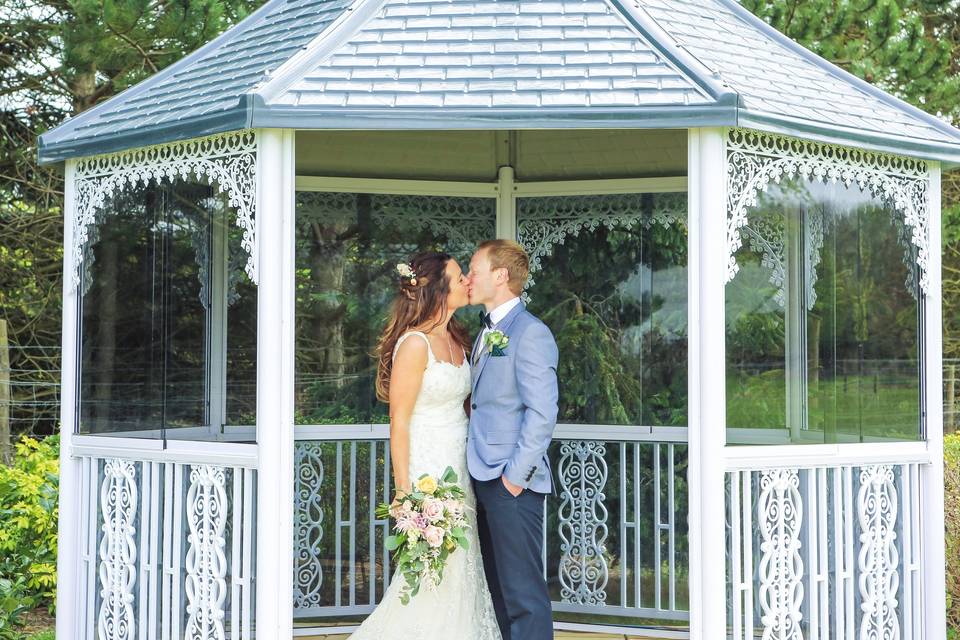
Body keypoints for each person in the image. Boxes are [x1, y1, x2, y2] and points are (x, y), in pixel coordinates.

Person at [349, 251, 500, 640]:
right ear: (437, 289)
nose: (468, 280)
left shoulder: (457, 339)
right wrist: (403, 493)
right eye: (458, 276)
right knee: (433, 565)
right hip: (428, 471)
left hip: (460, 465)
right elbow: (398, 421)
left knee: (463, 563)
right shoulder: (414, 344)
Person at [466, 240, 559, 640]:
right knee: (499, 593)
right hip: (482, 477)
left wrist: (514, 479)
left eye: (475, 271)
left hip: (511, 484)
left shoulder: (531, 333)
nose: (469, 280)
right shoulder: (486, 331)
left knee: (523, 596)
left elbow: (543, 413)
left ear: (500, 276)